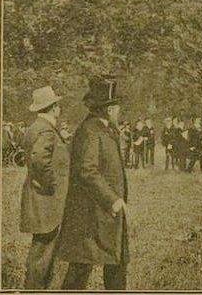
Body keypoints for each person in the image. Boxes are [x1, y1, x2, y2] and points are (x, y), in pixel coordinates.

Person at [58, 75, 129, 290]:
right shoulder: (89, 131)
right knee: (80, 268)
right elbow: (87, 171)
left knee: (117, 262)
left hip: (106, 212)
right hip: (90, 213)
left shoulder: (104, 129)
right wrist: (112, 199)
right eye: (117, 107)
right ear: (108, 109)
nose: (119, 111)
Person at [20, 86, 70, 289]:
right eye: (57, 105)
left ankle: (36, 287)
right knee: (43, 250)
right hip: (46, 200)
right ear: (53, 108)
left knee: (42, 248)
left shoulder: (37, 127)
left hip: (40, 197)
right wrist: (53, 185)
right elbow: (40, 160)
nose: (60, 108)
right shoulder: (46, 130)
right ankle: (33, 289)